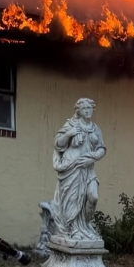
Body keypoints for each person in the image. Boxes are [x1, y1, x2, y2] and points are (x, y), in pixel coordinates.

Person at [50, 98, 107, 241]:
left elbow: (101, 148)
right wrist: (69, 133)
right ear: (79, 111)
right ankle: (73, 228)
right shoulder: (71, 124)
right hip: (72, 168)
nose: (87, 110)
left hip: (88, 169)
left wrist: (93, 157)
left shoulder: (96, 129)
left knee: (93, 196)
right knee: (73, 199)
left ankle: (85, 226)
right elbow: (58, 144)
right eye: (84, 108)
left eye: (89, 108)